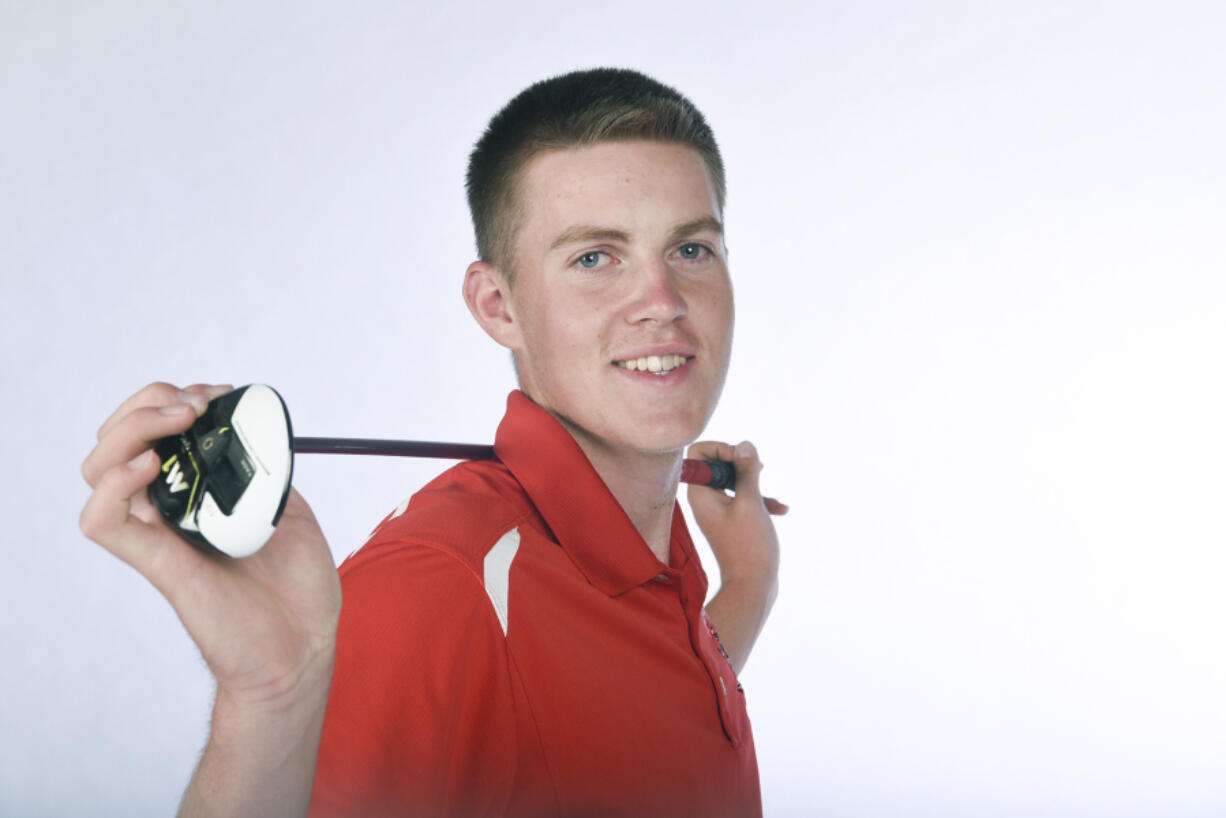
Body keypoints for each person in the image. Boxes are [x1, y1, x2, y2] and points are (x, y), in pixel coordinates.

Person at [80, 67, 784, 817]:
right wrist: (270, 702)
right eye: (593, 258)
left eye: (691, 250)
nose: (662, 304)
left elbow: (627, 723)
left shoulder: (659, 536)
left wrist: (746, 585)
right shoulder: (435, 590)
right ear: (497, 306)